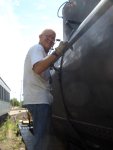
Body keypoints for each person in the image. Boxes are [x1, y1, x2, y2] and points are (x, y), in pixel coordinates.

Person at [23, 28, 68, 150]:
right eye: (47, 36)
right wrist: (58, 52)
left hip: (39, 100)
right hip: (38, 100)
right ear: (40, 37)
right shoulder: (37, 49)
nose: (51, 39)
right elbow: (38, 68)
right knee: (42, 139)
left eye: (53, 38)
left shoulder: (44, 55)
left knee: (43, 137)